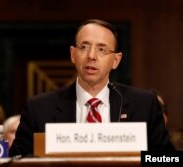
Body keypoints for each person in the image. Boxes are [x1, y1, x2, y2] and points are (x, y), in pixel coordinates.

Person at [9, 19, 174, 157]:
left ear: (116, 60)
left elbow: (167, 160)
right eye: (84, 47)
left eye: (102, 49)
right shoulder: (39, 108)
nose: (91, 56)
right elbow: (16, 161)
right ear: (73, 54)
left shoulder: (144, 105)